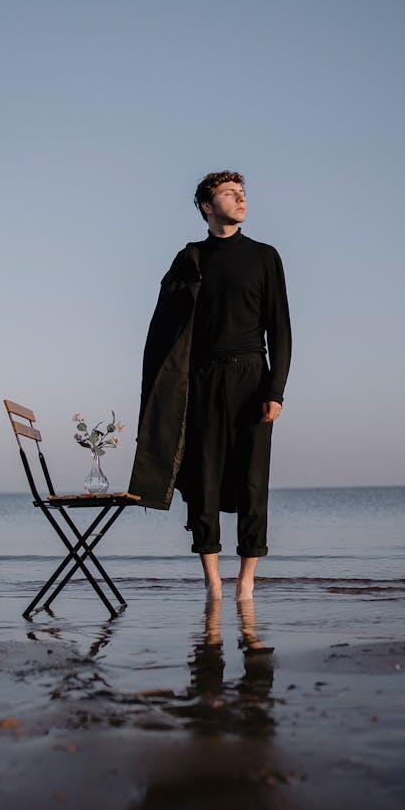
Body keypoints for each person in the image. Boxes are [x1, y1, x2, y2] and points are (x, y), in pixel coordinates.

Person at [129, 170, 291, 601]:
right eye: (228, 193)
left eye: (242, 192)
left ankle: (247, 581)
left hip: (251, 376)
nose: (240, 198)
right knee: (204, 480)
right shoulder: (191, 257)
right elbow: (166, 325)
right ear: (206, 205)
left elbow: (281, 329)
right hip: (201, 379)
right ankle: (213, 581)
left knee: (253, 480)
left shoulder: (264, 256)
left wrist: (275, 390)